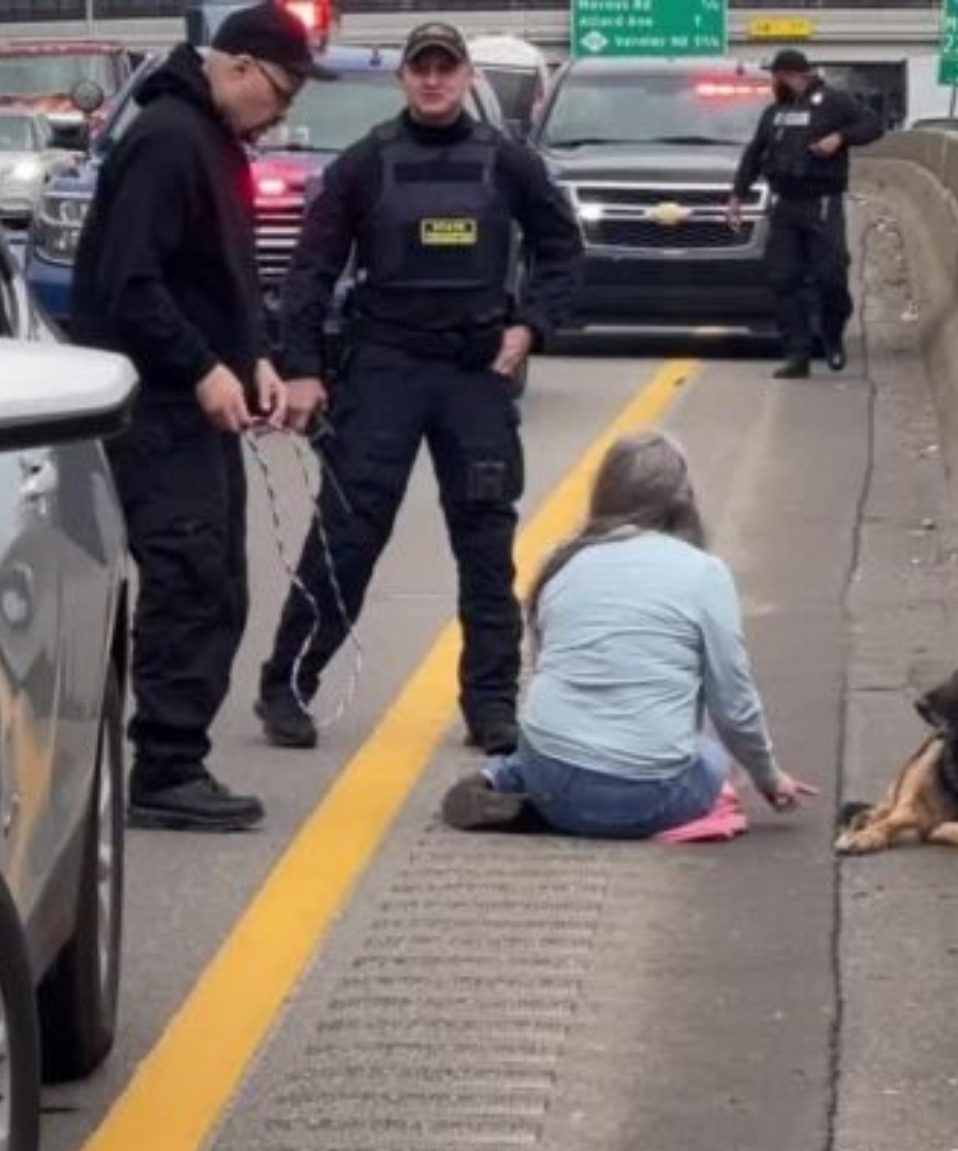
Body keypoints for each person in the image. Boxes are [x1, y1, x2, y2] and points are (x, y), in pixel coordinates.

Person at [255, 20, 583, 757]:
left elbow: (563, 249)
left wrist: (531, 327)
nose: (433, 81)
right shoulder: (365, 164)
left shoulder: (508, 162)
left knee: (485, 543)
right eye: (421, 69)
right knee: (347, 536)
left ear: (468, 77)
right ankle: (287, 687)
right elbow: (310, 271)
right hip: (385, 368)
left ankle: (491, 705)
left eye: (446, 68)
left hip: (475, 373)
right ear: (403, 78)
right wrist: (302, 366)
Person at [69, 2, 333, 832]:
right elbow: (130, 283)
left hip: (199, 402)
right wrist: (201, 367)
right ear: (241, 67)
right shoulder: (167, 142)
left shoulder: (214, 142)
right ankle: (164, 768)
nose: (283, 114)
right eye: (283, 94)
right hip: (155, 406)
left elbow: (221, 276)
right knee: (187, 579)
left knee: (217, 580)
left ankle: (176, 757)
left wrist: (253, 356)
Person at [440, 433, 816, 839]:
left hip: (550, 771)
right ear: (683, 500)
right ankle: (596, 811)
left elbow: (546, 664)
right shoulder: (705, 573)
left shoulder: (560, 561)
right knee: (711, 756)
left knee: (551, 742)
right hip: (648, 794)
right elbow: (733, 705)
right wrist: (769, 777)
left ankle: (511, 783)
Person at [727, 50, 883, 380]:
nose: (775, 82)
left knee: (830, 276)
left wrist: (840, 137)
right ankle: (797, 354)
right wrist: (737, 195)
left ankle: (831, 333)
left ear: (793, 75)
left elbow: (873, 125)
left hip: (821, 202)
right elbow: (755, 153)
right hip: (785, 203)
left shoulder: (834, 101)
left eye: (778, 76)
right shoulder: (775, 112)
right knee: (783, 280)